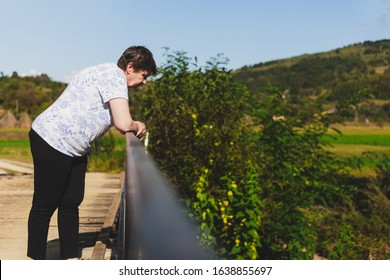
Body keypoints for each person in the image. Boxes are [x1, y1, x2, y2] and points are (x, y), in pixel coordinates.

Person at [27, 46, 157, 260]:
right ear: (130, 67)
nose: (144, 82)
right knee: (45, 203)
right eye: (143, 76)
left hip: (75, 147)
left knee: (71, 201)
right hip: (52, 140)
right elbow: (123, 123)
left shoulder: (104, 71)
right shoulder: (114, 76)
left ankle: (70, 257)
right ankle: (36, 262)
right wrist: (138, 125)